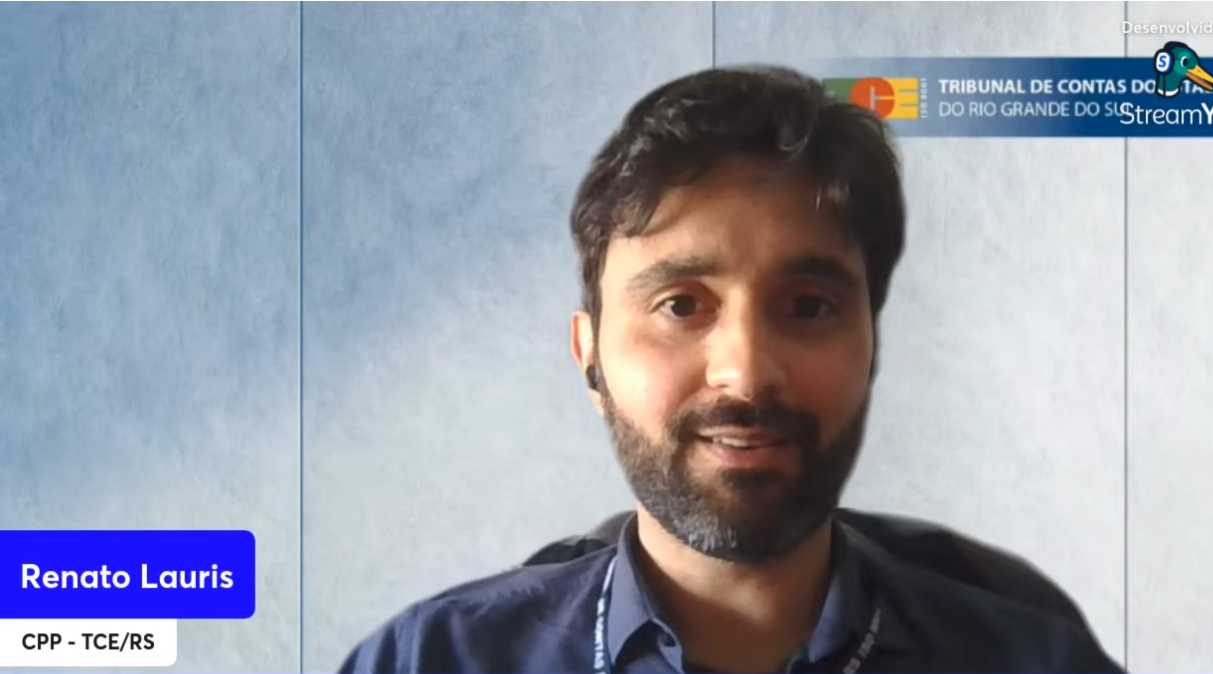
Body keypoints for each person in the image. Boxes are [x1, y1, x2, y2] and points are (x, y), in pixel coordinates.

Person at [338, 65, 1125, 674]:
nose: (745, 374)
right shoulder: (429, 661)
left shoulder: (1037, 664)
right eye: (681, 305)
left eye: (808, 306)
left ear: (872, 346)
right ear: (590, 357)